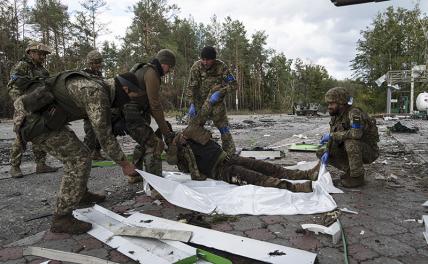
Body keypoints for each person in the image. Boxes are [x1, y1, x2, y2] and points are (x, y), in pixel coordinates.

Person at [13, 71, 142, 234]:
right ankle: (62, 218)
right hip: (34, 123)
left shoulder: (99, 85)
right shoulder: (97, 93)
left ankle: (79, 194)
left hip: (45, 118)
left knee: (82, 154)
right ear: (124, 88)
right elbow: (104, 135)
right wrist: (125, 164)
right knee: (78, 159)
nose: (128, 102)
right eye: (130, 97)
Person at [167, 130, 318, 193]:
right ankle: (295, 187)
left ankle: (306, 174)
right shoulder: (179, 154)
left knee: (265, 166)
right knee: (255, 177)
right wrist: (176, 145)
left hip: (229, 158)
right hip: (221, 171)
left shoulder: (190, 135)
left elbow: (208, 135)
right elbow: (172, 160)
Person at [124, 49, 176, 183]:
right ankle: (156, 186)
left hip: (133, 112)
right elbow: (155, 105)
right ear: (164, 63)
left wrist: (164, 125)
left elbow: (148, 103)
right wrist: (166, 132)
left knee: (145, 141)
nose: (168, 71)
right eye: (169, 68)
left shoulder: (143, 69)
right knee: (154, 143)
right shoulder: (152, 74)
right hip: (131, 113)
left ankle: (135, 174)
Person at [7, 41, 58, 178]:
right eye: (41, 54)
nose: (43, 57)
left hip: (39, 104)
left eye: (44, 55)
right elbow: (13, 85)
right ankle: (15, 166)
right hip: (24, 103)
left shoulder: (43, 70)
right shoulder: (22, 66)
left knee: (40, 131)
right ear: (31, 53)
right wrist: (22, 103)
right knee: (22, 133)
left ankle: (41, 164)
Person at [318, 87, 379, 188]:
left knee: (351, 142)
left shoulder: (354, 113)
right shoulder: (336, 116)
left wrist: (332, 135)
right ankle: (349, 171)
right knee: (321, 152)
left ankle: (357, 177)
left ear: (341, 103)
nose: (329, 106)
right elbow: (333, 134)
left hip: (368, 150)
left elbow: (356, 134)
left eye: (332, 103)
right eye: (328, 104)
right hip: (353, 149)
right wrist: (327, 150)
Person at [186, 46, 237, 156]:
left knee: (223, 128)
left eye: (208, 59)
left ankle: (230, 154)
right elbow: (191, 87)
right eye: (203, 59)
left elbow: (234, 85)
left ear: (213, 59)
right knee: (193, 128)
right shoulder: (196, 67)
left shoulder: (221, 66)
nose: (205, 62)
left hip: (216, 103)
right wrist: (191, 104)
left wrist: (221, 92)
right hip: (199, 104)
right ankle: (193, 154)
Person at [82, 49, 106, 160]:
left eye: (99, 62)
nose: (98, 65)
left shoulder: (99, 74)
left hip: (100, 107)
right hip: (88, 108)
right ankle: (84, 155)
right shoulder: (83, 74)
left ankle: (96, 152)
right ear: (90, 63)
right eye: (96, 63)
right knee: (90, 131)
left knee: (101, 132)